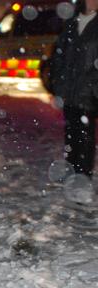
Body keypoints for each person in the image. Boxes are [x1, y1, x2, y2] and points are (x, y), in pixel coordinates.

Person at [50, 0, 98, 178]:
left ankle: (82, 177)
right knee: (71, 136)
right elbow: (59, 58)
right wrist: (58, 89)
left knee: (85, 138)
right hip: (69, 93)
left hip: (89, 94)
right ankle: (71, 173)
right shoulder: (70, 23)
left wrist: (92, 83)